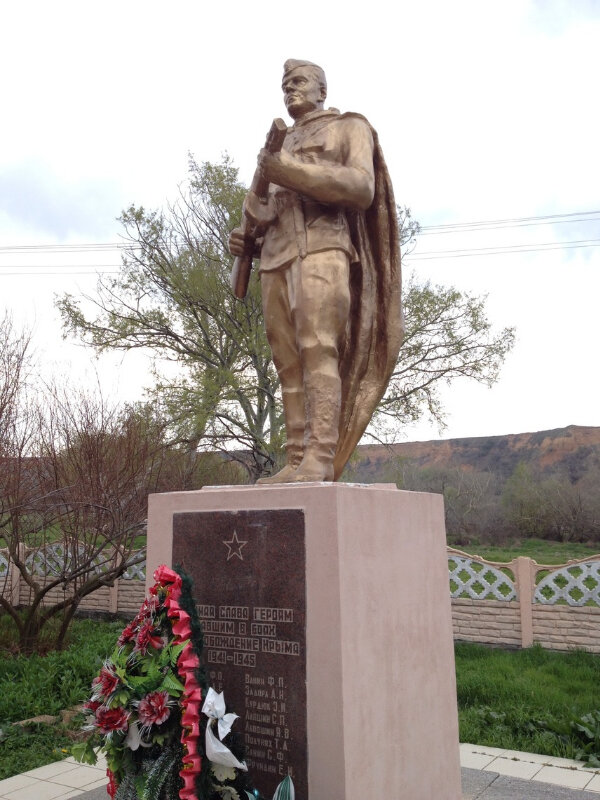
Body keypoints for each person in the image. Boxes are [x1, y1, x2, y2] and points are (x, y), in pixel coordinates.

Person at [229, 59, 402, 483]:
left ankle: (320, 456)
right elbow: (263, 207)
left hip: (323, 246)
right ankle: (294, 460)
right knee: (286, 362)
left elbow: (361, 188)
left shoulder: (349, 127)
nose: (290, 89)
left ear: (322, 89)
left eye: (299, 82)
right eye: (285, 85)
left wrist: (285, 170)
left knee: (318, 347)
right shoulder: (279, 144)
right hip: (274, 256)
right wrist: (244, 235)